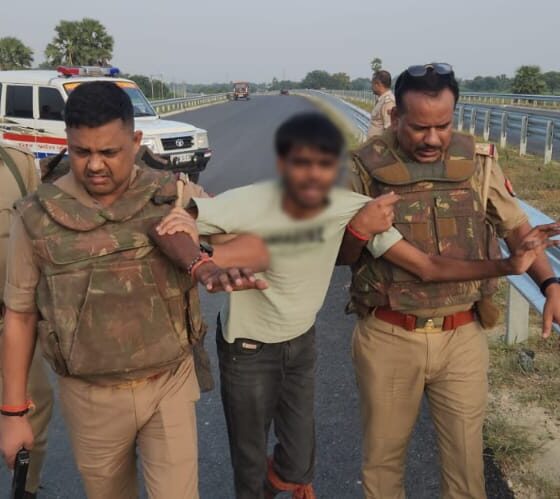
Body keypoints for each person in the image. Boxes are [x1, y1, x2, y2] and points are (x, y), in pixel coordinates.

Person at [156, 112, 557, 499]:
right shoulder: (255, 200)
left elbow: (426, 265)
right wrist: (203, 262)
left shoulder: (349, 205)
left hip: (303, 343)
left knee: (299, 463)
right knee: (251, 462)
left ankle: (279, 482)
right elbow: (171, 226)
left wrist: (515, 267)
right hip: (249, 349)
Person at [0, 81, 267, 499]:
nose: (95, 165)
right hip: (90, 397)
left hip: (169, 384)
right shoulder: (35, 215)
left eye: (109, 152)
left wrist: (202, 245)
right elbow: (19, 316)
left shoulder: (173, 194)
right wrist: (13, 414)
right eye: (81, 152)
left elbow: (258, 247)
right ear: (67, 142)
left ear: (136, 141)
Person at [345, 63, 560, 499]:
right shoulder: (363, 168)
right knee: (383, 465)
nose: (433, 139)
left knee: (466, 467)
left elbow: (518, 231)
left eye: (442, 126)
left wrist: (550, 285)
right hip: (389, 334)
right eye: (419, 127)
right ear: (395, 117)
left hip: (462, 335)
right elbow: (341, 256)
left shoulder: (477, 163)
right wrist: (359, 229)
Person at [0, 144, 54, 499]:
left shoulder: (16, 162)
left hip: (12, 317)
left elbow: (38, 230)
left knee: (34, 405)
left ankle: (25, 490)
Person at [367, 70, 396, 138]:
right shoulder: (381, 100)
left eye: (373, 84)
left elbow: (389, 130)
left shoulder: (388, 102)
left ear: (378, 84)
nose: (371, 87)